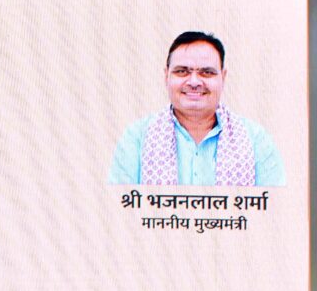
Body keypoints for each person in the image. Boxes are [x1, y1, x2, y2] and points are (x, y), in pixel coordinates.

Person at [108, 31, 283, 186]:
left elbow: (273, 208)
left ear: (223, 77)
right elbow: (119, 208)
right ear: (166, 76)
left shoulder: (255, 140)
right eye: (182, 71)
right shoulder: (137, 138)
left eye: (207, 72)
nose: (194, 82)